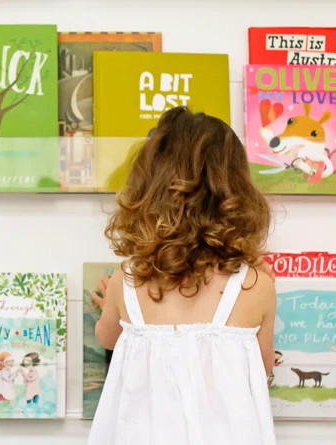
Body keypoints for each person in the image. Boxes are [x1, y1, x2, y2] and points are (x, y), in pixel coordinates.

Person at [87, 107, 277, 445]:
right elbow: (261, 369)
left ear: (148, 188)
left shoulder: (126, 280)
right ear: (237, 191)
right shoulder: (256, 285)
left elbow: (107, 338)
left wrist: (111, 309)